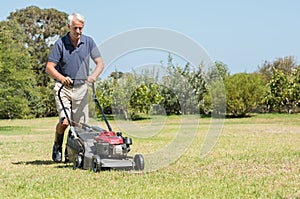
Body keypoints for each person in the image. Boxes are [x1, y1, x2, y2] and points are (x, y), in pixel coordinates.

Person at [46, 13, 104, 163]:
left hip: (81, 88)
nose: (78, 32)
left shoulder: (89, 42)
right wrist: (61, 78)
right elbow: (49, 67)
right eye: (75, 28)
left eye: (80, 28)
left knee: (79, 126)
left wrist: (93, 76)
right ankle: (57, 145)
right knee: (65, 122)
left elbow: (100, 63)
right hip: (63, 88)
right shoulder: (60, 43)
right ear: (68, 27)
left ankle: (70, 151)